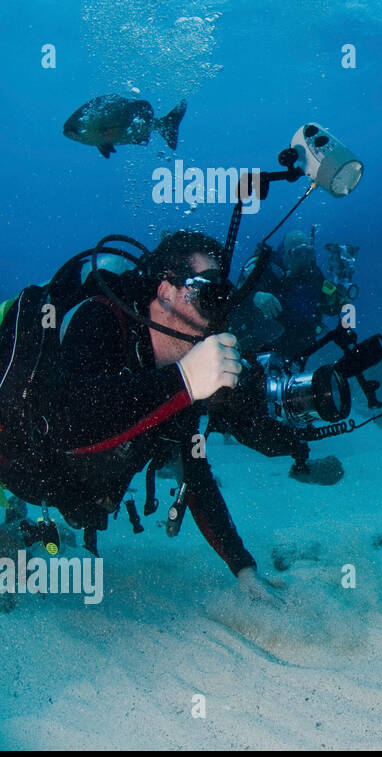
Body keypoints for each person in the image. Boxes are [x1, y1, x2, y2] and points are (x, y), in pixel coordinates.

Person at [0, 232, 289, 599]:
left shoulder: (179, 375)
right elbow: (65, 423)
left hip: (51, 485)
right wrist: (183, 381)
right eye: (207, 294)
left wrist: (243, 569)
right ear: (165, 291)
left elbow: (195, 472)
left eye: (221, 300)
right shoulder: (100, 319)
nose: (217, 313)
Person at [232, 229, 345, 360]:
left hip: (298, 348)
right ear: (284, 254)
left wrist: (336, 301)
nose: (304, 258)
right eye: (297, 253)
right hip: (259, 348)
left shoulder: (313, 273)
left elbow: (327, 306)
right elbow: (236, 300)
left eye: (308, 252)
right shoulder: (266, 269)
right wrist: (256, 296)